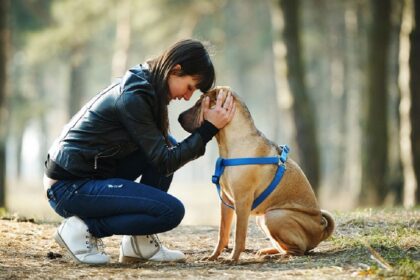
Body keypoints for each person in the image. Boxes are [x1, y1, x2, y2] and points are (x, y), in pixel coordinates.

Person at [43, 39, 236, 265]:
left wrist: (204, 130)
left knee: (169, 143)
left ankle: (138, 243)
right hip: (69, 188)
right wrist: (208, 129)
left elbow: (162, 156)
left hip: (90, 176)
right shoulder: (135, 95)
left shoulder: (149, 85)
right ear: (176, 70)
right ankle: (83, 228)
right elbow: (165, 162)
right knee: (170, 211)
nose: (187, 97)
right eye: (190, 87)